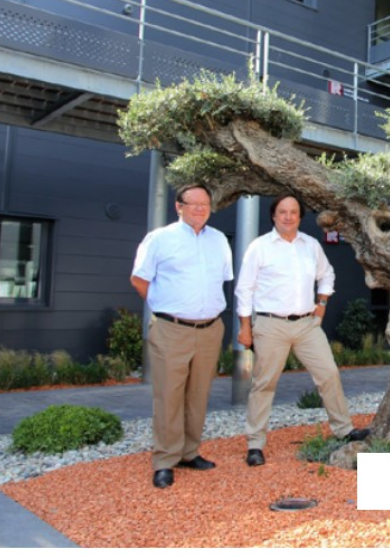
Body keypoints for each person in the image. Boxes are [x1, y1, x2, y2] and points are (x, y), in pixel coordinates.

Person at [236, 193, 370, 467]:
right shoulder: (259, 247)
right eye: (282, 212)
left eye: (293, 212)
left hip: (307, 324)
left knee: (329, 374)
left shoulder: (310, 245)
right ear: (273, 215)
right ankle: (255, 444)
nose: (288, 217)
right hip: (270, 324)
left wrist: (321, 305)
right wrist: (245, 328)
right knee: (264, 384)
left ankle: (344, 429)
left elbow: (328, 274)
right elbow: (244, 289)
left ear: (299, 216)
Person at [130, 183, 233, 489]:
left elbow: (221, 280)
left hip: (209, 329)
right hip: (171, 329)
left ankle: (190, 452)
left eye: (205, 204)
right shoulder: (160, 239)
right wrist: (164, 307)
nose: (200, 209)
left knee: (198, 395)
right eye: (194, 204)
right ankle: (165, 459)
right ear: (179, 206)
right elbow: (139, 279)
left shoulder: (218, 240)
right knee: (169, 397)